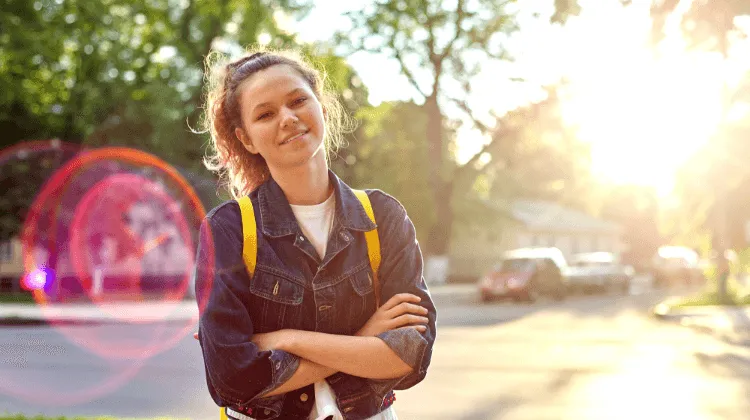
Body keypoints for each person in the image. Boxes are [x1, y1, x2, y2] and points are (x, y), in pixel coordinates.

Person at [193, 48, 437, 420]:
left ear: (320, 105)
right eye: (266, 114)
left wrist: (286, 340)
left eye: (297, 101)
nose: (288, 118)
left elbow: (411, 356)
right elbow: (230, 379)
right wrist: (363, 342)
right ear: (246, 140)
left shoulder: (384, 217)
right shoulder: (228, 229)